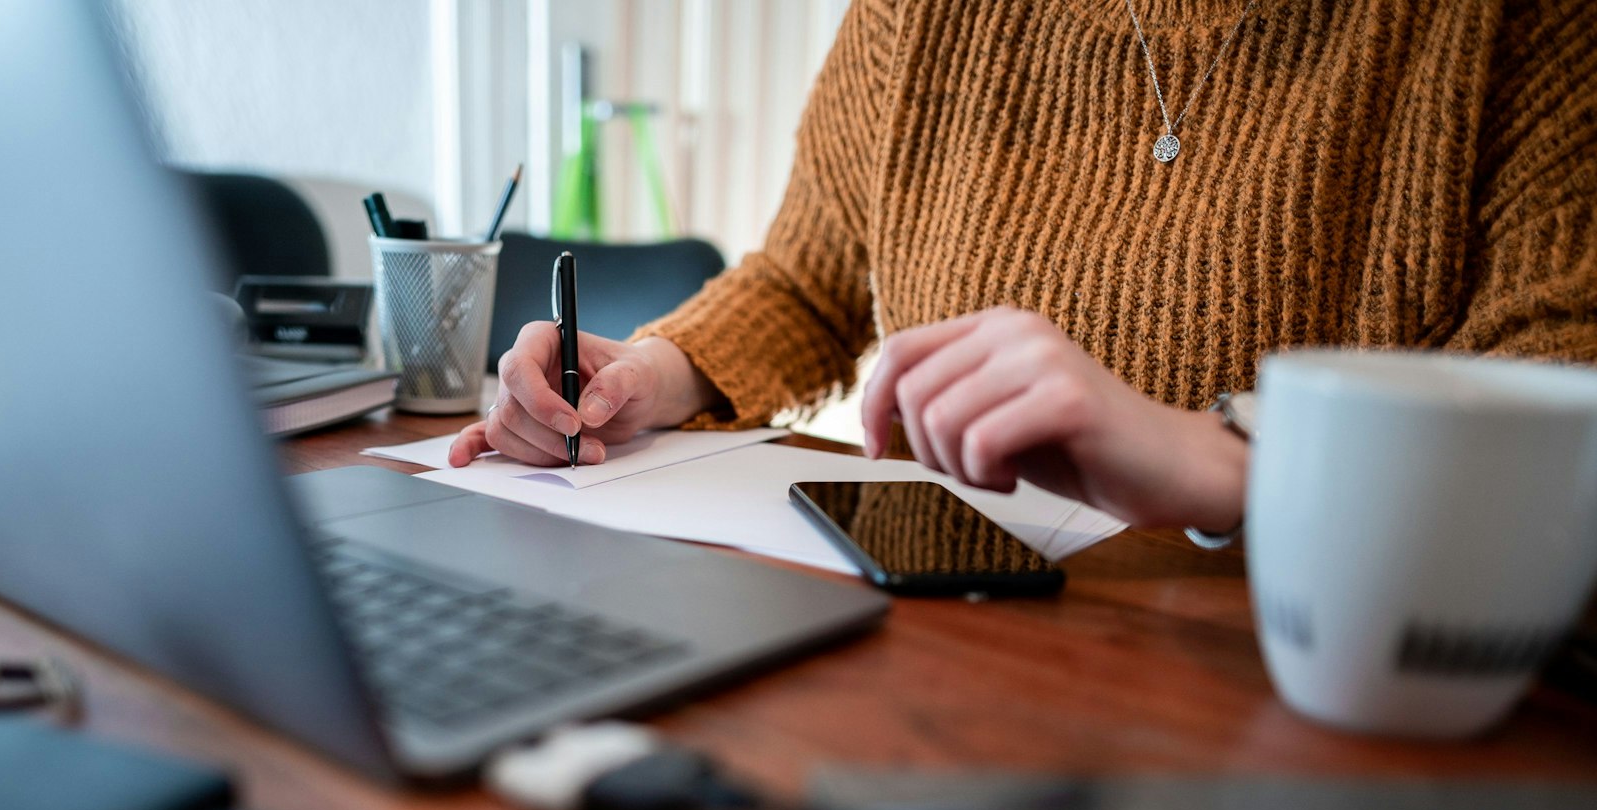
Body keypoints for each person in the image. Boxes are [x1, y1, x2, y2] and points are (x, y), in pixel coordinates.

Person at [450, 0, 1595, 538]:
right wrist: (647, 374)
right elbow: (805, 280)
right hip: (947, 639)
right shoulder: (919, 18)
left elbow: (1561, 405)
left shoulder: (1515, 30)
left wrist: (1227, 459)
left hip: (1299, 689)